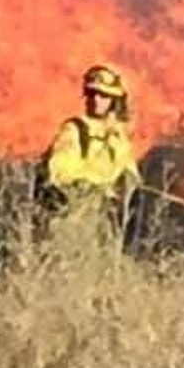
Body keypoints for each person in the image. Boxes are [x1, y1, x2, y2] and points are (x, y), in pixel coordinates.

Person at [37, 64, 141, 248]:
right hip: (73, 224)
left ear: (114, 100)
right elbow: (59, 171)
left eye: (103, 96)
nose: (96, 100)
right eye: (92, 94)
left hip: (104, 229)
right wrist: (90, 185)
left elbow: (130, 178)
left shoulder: (118, 137)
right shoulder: (74, 130)